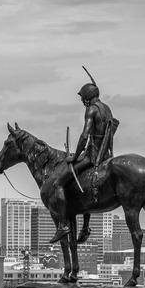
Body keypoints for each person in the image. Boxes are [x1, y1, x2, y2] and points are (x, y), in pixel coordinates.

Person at [47, 81, 117, 244]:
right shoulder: (106, 108)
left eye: (82, 97)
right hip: (106, 155)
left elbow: (85, 136)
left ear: (87, 97)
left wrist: (75, 156)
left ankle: (63, 225)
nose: (81, 101)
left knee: (58, 184)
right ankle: (85, 228)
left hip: (92, 156)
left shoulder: (91, 110)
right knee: (82, 187)